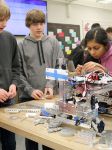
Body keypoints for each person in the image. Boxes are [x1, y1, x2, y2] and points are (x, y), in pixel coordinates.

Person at [18, 9, 63, 150]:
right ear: (28, 25)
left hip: (51, 98)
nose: (39, 27)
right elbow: (18, 72)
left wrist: (50, 84)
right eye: (35, 24)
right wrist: (30, 90)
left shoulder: (54, 42)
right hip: (29, 99)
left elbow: (60, 66)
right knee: (31, 138)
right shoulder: (21, 45)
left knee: (50, 137)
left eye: (41, 23)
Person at [76, 27, 112, 102]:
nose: (92, 52)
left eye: (96, 48)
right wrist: (81, 76)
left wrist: (105, 71)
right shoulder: (89, 56)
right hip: (95, 102)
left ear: (106, 45)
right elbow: (86, 87)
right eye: (89, 48)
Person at [0, 2, 20, 150]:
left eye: (6, 19)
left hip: (7, 104)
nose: (4, 24)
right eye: (0, 19)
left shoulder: (10, 39)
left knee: (10, 145)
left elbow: (16, 68)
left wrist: (14, 84)